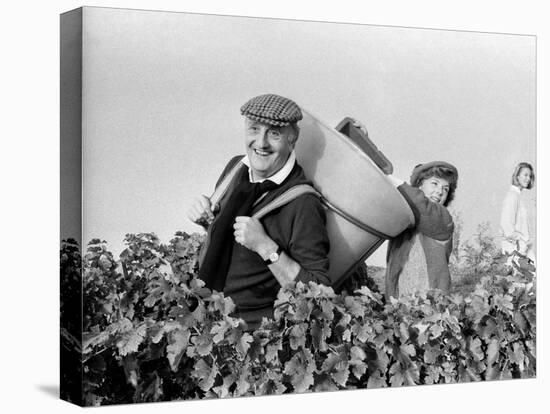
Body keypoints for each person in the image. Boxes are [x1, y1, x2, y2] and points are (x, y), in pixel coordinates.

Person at [186, 93, 330, 329]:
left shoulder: (303, 203)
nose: (261, 143)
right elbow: (227, 240)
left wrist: (266, 247)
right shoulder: (236, 168)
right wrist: (206, 219)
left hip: (257, 340)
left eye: (274, 133)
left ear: (293, 139)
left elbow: (319, 293)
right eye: (254, 129)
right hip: (211, 321)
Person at [385, 161, 459, 300]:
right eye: (435, 183)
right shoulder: (405, 222)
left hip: (431, 308)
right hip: (400, 308)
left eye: (445, 189)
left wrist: (388, 178)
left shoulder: (443, 219)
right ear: (419, 185)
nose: (439, 191)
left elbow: (421, 205)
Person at [499, 162, 536, 264]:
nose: (528, 179)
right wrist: (520, 243)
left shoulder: (519, 196)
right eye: (525, 175)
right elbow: (506, 225)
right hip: (515, 250)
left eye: (530, 176)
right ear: (517, 176)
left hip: (523, 249)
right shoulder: (512, 196)